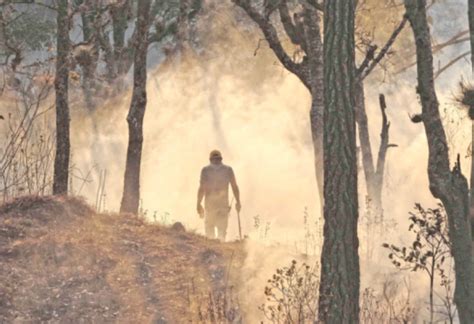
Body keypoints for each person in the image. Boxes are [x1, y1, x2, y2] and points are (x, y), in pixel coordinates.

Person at [197, 150, 241, 240]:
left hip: (212, 206)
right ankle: (219, 250)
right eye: (216, 159)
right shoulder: (228, 169)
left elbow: (202, 188)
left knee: (210, 233)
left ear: (210, 159)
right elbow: (234, 186)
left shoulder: (206, 170)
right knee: (221, 232)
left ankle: (214, 251)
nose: (216, 161)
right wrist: (238, 201)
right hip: (220, 206)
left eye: (217, 159)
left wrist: (198, 204)